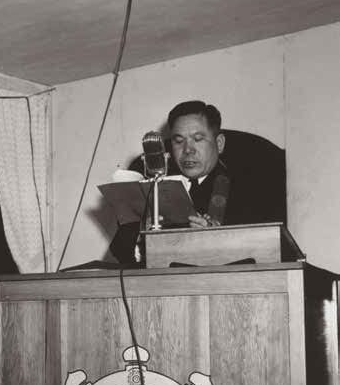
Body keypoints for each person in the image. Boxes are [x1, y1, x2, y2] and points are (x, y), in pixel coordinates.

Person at [109, 100, 285, 264]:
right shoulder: (157, 187)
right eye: (178, 141)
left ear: (220, 143)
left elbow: (269, 249)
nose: (187, 150)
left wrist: (217, 239)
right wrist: (143, 237)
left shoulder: (250, 188)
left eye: (198, 139)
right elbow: (119, 248)